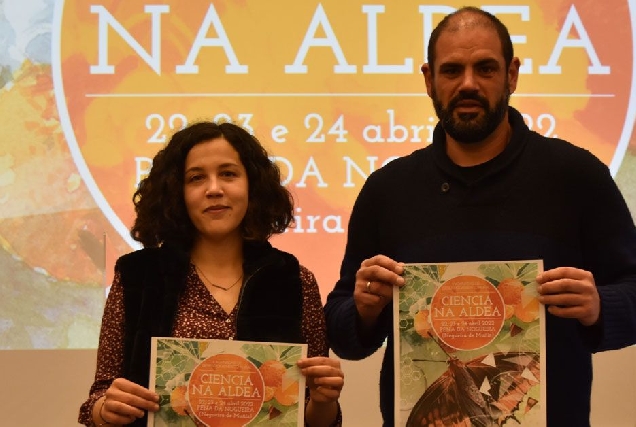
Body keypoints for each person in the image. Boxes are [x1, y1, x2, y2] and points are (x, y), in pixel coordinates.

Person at [324, 6, 636, 427]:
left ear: (511, 74)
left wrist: (601, 305)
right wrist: (362, 309)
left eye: (485, 68)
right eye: (452, 70)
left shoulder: (576, 176)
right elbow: (343, 330)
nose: (468, 84)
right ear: (429, 79)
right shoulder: (387, 189)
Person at [79, 121, 344, 427]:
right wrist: (105, 410)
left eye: (228, 174)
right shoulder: (137, 276)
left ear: (253, 186)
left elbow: (314, 418)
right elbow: (97, 401)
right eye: (196, 178)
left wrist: (326, 400)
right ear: (177, 192)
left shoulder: (293, 279)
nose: (214, 189)